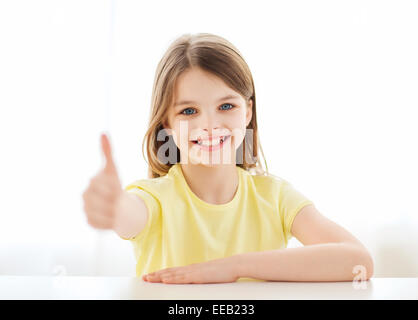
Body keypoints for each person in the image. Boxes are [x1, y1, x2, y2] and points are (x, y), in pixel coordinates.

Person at [82, 33, 374, 284]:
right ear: (167, 124)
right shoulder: (153, 199)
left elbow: (358, 261)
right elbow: (126, 212)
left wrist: (234, 267)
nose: (209, 125)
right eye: (188, 111)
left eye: (226, 106)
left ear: (247, 112)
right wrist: (112, 205)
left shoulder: (274, 196)